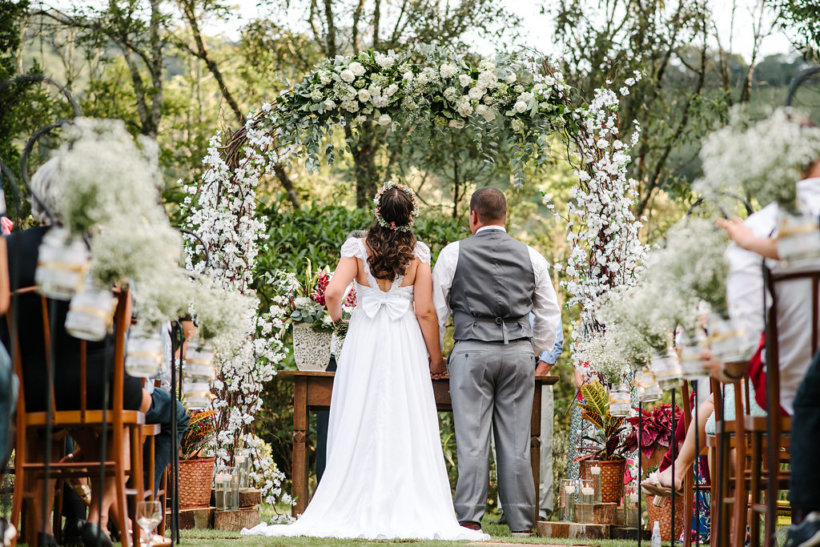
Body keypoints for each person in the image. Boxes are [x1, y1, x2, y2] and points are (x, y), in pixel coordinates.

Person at [243, 181, 487, 541]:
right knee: (403, 415)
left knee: (361, 410)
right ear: (410, 216)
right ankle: (403, 497)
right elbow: (424, 313)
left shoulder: (357, 248)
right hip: (403, 341)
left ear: (377, 212)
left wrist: (339, 318)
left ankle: (352, 494)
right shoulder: (418, 253)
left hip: (366, 339)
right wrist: (436, 357)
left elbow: (332, 292)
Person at [432, 187, 560, 536]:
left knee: (472, 439)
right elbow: (550, 314)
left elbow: (435, 309)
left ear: (473, 216)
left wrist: (436, 356)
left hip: (471, 351)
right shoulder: (531, 255)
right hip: (518, 353)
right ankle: (521, 524)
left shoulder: (452, 254)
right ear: (506, 217)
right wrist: (532, 350)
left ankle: (470, 518)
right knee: (516, 441)